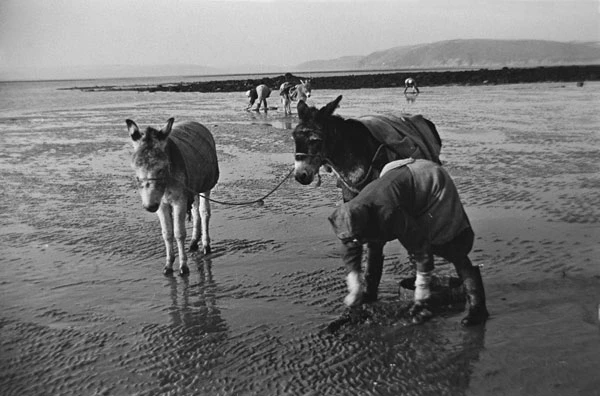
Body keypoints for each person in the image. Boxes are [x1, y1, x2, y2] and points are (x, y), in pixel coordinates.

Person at [328, 158, 489, 326]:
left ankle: (478, 307)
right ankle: (370, 294)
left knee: (449, 246)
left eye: (357, 237)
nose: (355, 242)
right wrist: (355, 286)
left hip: (429, 180)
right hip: (397, 178)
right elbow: (350, 246)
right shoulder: (349, 216)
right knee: (374, 243)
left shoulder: (390, 213)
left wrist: (421, 290)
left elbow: (420, 249)